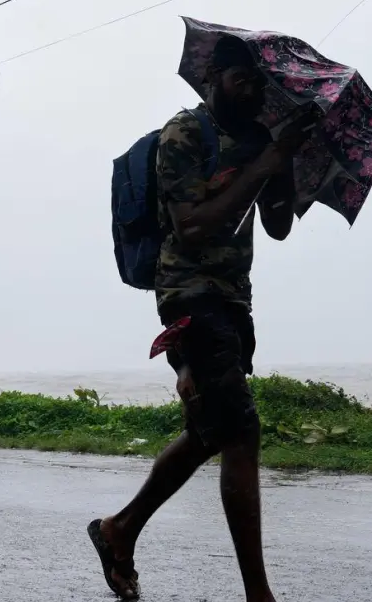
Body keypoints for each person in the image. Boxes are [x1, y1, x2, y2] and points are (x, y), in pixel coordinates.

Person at [89, 35, 318, 602]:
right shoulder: (184, 135)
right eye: (244, 78)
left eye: (261, 84)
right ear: (214, 75)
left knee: (211, 429)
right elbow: (193, 226)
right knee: (241, 429)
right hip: (188, 294)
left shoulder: (259, 139)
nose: (253, 90)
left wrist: (284, 163)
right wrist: (264, 161)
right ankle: (258, 594)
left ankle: (119, 530)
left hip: (234, 300)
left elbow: (279, 225)